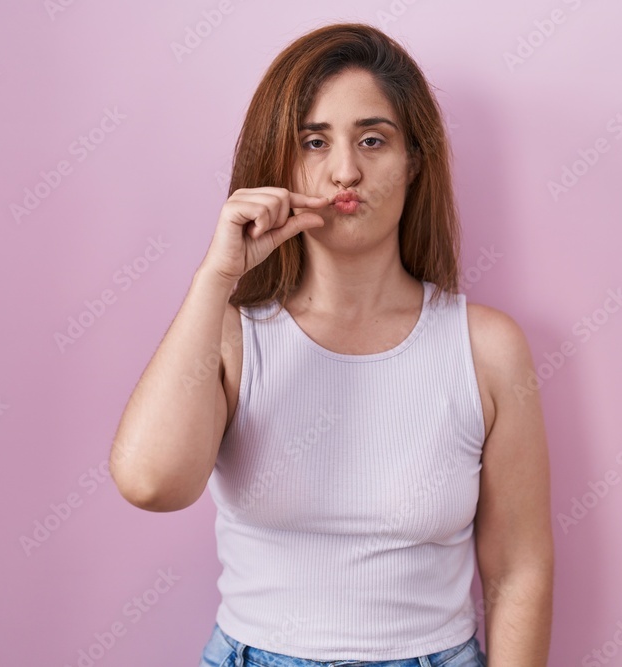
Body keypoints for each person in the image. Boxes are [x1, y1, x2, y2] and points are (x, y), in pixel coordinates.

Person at [109, 22, 554, 667]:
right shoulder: (233, 336)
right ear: (280, 163)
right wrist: (217, 277)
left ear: (413, 161)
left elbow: (519, 572)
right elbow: (151, 483)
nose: (346, 171)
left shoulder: (486, 347)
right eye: (314, 142)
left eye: (373, 139)